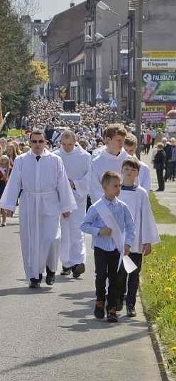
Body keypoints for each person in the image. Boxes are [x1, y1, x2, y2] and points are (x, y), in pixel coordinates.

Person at [0, 129, 76, 288]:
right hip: (29, 200)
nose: (37, 144)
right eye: (34, 141)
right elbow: (14, 182)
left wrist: (66, 205)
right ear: (30, 142)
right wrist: (9, 204)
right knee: (32, 240)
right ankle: (35, 275)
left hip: (50, 201)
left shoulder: (55, 160)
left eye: (40, 141)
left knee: (53, 238)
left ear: (45, 142)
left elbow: (62, 183)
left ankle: (51, 268)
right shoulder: (21, 160)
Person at [80, 171, 135, 322]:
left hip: (116, 248)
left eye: (120, 186)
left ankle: (112, 308)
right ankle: (100, 300)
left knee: (115, 278)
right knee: (101, 276)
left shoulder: (122, 207)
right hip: (101, 248)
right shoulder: (97, 207)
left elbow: (131, 227)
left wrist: (128, 243)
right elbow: (84, 225)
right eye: (115, 186)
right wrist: (99, 231)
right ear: (105, 187)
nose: (118, 189)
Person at [118, 158, 159, 318]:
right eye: (127, 169)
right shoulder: (117, 190)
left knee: (133, 274)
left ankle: (131, 305)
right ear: (122, 170)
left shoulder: (141, 193)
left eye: (133, 170)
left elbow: (146, 217)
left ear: (137, 173)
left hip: (135, 243)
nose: (129, 172)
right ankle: (117, 300)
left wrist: (147, 240)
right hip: (119, 242)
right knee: (120, 273)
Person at [54, 130, 91, 279]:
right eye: (64, 144)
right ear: (60, 143)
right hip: (60, 200)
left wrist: (74, 184)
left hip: (78, 200)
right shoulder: (55, 156)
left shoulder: (85, 157)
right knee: (63, 232)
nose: (67, 147)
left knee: (77, 230)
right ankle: (66, 263)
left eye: (70, 144)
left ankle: (78, 262)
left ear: (75, 142)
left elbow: (89, 178)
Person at [88, 124, 129, 203]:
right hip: (105, 208)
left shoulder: (128, 160)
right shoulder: (97, 162)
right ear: (108, 140)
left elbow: (133, 186)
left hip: (127, 206)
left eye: (123, 141)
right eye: (118, 140)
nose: (121, 143)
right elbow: (94, 189)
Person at [0, 155, 12, 227]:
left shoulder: (10, 169)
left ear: (7, 163)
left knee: (4, 206)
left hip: (5, 188)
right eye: (1, 163)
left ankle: (4, 220)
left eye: (4, 164)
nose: (2, 165)